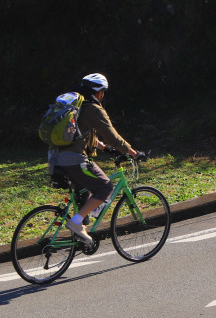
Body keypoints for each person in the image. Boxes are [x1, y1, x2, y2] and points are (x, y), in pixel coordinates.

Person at [47, 73, 144, 243]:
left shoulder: (76, 108)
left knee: (84, 194)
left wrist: (104, 148)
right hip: (74, 160)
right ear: (99, 92)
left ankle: (80, 234)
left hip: (55, 158)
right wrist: (134, 153)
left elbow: (81, 135)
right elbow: (113, 137)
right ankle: (76, 224)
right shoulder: (93, 109)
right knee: (105, 186)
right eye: (103, 92)